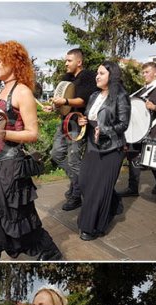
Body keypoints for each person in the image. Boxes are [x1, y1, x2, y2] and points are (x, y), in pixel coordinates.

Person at [0, 41, 62, 261]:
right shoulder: (1, 91)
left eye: (0, 60)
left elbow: (32, 134)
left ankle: (47, 255)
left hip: (11, 167)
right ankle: (48, 255)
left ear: (15, 62)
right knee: (9, 221)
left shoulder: (22, 92)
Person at [76, 61, 130, 241]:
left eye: (101, 73)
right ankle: (113, 202)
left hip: (112, 148)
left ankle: (92, 227)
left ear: (111, 76)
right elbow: (90, 116)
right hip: (92, 143)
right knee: (84, 182)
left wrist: (105, 129)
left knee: (97, 189)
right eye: (97, 73)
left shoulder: (121, 96)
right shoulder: (93, 96)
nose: (97, 76)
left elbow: (124, 124)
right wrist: (83, 121)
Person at [50, 48, 98, 212]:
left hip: (77, 124)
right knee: (56, 154)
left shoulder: (87, 77)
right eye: (65, 60)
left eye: (69, 61)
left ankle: (76, 195)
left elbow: (83, 101)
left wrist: (64, 100)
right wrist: (54, 106)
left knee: (74, 160)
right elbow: (63, 103)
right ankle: (78, 182)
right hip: (65, 123)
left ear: (79, 62)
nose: (66, 64)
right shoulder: (67, 78)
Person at [120, 62, 156, 197]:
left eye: (147, 72)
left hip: (155, 129)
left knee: (155, 161)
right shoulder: (141, 90)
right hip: (137, 131)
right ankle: (132, 188)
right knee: (133, 157)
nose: (144, 75)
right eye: (143, 72)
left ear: (155, 72)